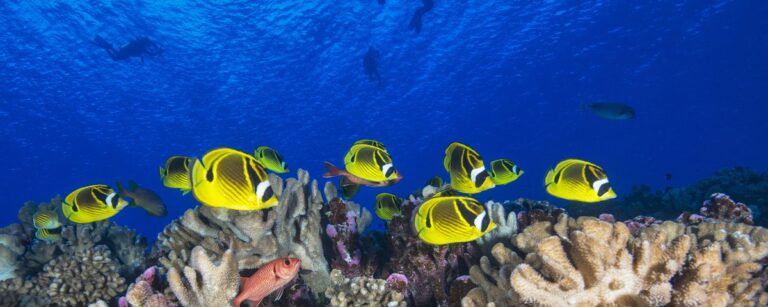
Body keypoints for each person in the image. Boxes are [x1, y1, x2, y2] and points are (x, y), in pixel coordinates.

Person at [93, 35, 162, 63]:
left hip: (126, 50)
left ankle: (108, 47)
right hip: (127, 52)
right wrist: (158, 52)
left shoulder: (142, 46)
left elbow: (146, 53)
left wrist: (158, 50)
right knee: (116, 58)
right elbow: (150, 53)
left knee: (116, 56)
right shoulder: (143, 47)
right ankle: (107, 47)